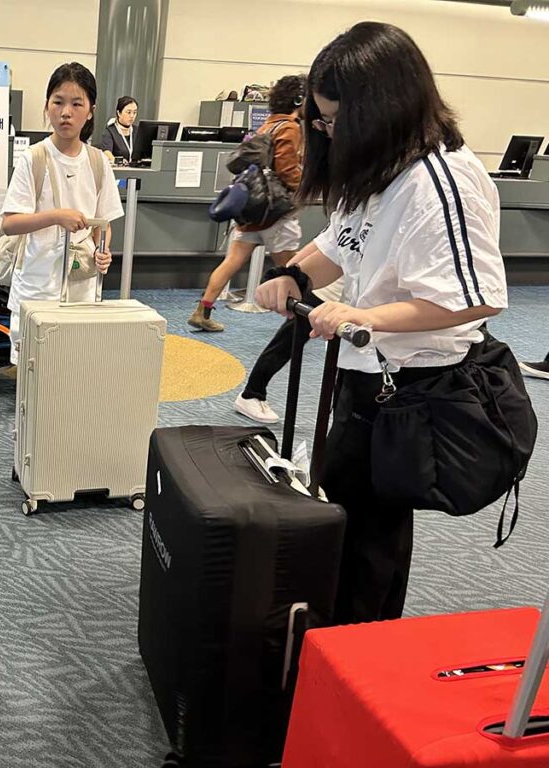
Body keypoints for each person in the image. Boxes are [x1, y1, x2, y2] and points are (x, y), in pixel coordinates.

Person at [254, 22, 507, 624]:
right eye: (323, 121)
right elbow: (342, 242)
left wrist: (364, 315)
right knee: (341, 512)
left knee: (372, 542)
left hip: (415, 389)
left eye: (336, 121)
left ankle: (355, 650)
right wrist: (297, 275)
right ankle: (327, 642)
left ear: (384, 109)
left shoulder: (443, 181)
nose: (329, 133)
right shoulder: (380, 169)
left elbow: (475, 298)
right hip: (366, 374)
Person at [0, 62, 124, 365]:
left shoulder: (97, 162)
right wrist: (57, 216)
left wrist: (103, 251)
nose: (65, 112)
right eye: (58, 102)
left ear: (90, 110)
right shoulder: (34, 158)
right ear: (47, 106)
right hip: (37, 283)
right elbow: (10, 223)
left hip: (81, 284)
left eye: (76, 103)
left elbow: (103, 223)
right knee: (34, 369)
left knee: (73, 368)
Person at [188, 74, 306, 332]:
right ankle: (301, 320)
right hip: (275, 213)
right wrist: (305, 187)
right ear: (298, 100)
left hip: (251, 211)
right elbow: (287, 169)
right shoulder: (289, 127)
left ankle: (202, 310)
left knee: (231, 261)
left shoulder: (266, 126)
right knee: (292, 269)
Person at [234, 273, 344, 423]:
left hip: (347, 303)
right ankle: (252, 393)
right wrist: (288, 278)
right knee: (286, 343)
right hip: (327, 297)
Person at [98, 96, 138, 164]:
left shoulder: (137, 131)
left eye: (134, 112)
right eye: (128, 112)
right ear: (119, 113)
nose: (132, 116)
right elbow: (107, 152)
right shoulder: (110, 131)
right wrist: (117, 161)